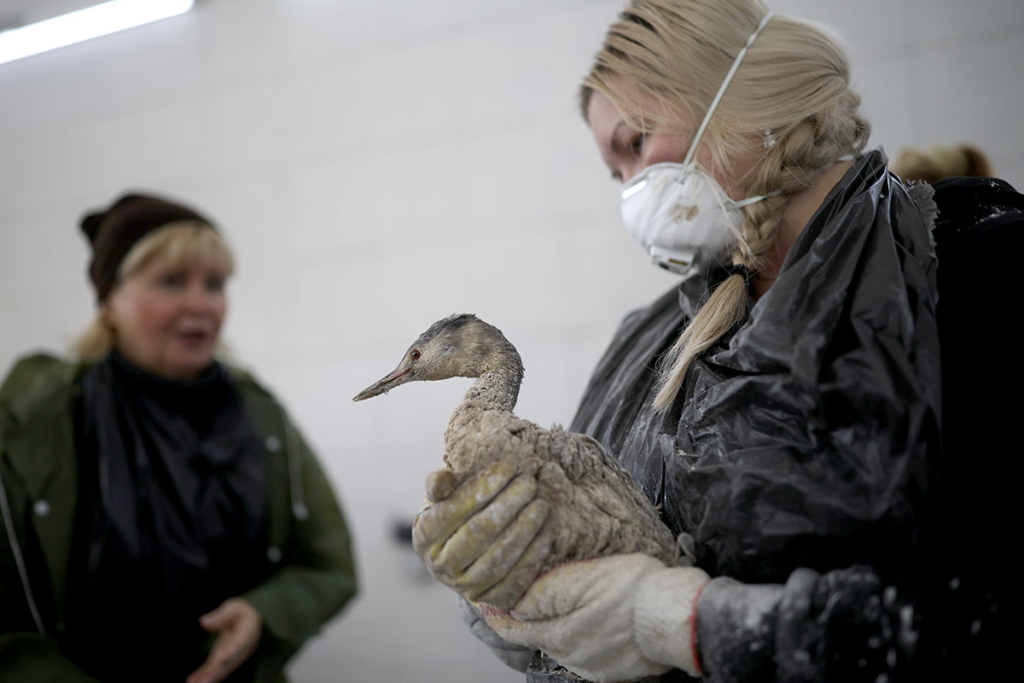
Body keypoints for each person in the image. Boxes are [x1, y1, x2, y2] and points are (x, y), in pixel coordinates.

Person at [407, 1, 1018, 681]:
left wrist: (688, 621)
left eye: (636, 144)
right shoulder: (652, 337)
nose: (633, 193)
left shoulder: (972, 268)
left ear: (745, 92)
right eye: (616, 176)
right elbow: (585, 591)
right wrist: (511, 580)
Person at [0, 193, 358, 683]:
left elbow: (328, 564)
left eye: (215, 284)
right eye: (171, 281)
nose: (201, 304)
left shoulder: (260, 417)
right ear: (110, 300)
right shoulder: (37, 424)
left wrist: (262, 613)